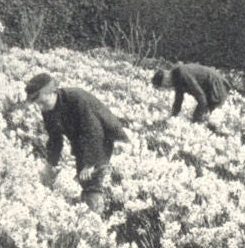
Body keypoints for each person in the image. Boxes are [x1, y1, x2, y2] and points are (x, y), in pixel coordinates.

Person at [25, 73, 128, 213]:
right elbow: (55, 139)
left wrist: (90, 163)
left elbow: (93, 131)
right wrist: (50, 164)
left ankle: (96, 216)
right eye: (38, 104)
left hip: (104, 137)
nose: (41, 107)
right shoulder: (47, 110)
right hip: (82, 142)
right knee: (83, 178)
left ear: (52, 93)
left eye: (42, 102)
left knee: (92, 181)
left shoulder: (76, 98)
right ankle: (87, 211)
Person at [152, 63, 228, 123]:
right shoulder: (176, 77)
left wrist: (196, 118)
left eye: (164, 86)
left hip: (216, 85)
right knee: (205, 117)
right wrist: (173, 116)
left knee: (213, 118)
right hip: (208, 87)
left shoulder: (182, 74)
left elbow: (201, 97)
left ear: (165, 80)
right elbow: (178, 100)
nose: (167, 88)